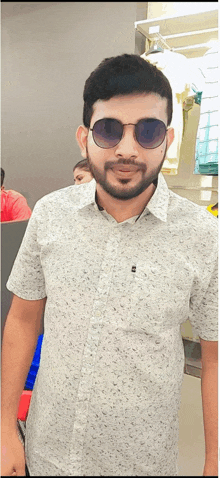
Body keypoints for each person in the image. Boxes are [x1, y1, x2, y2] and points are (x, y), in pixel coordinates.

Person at [1, 54, 218, 477]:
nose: (127, 149)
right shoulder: (49, 215)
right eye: (109, 129)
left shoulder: (202, 235)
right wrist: (5, 427)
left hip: (142, 462)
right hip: (47, 455)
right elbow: (23, 321)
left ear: (168, 139)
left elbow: (214, 357)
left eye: (149, 131)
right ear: (84, 137)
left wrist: (215, 461)